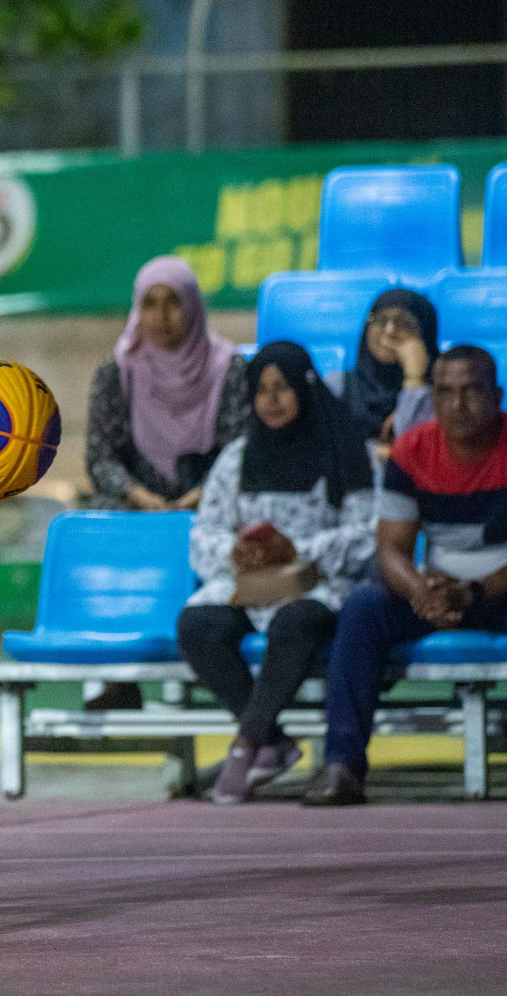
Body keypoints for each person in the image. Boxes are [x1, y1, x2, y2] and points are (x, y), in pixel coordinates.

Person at [305, 345, 507, 807]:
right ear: (431, 398)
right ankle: (343, 764)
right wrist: (421, 590)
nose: (458, 405)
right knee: (362, 610)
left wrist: (471, 592)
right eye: (446, 393)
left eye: (471, 392)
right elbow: (390, 550)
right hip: (438, 592)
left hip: (496, 590)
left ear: (497, 396)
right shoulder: (412, 450)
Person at [177, 342, 377, 804]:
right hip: (250, 582)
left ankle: (248, 742)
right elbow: (203, 532)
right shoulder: (238, 457)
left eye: (282, 388)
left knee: (299, 621)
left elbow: (368, 531)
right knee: (199, 625)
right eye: (262, 390)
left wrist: (299, 551)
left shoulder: (346, 451)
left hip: (317, 582)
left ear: (305, 390)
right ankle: (274, 742)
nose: (271, 400)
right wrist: (236, 552)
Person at [84, 256, 251, 710]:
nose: (160, 317)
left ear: (193, 307)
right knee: (106, 517)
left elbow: (242, 447)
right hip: (141, 502)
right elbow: (99, 457)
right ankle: (118, 674)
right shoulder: (117, 372)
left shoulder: (229, 368)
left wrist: (199, 497)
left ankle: (222, 664)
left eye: (173, 303)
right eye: (150, 304)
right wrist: (145, 499)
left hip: (213, 498)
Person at [334, 288, 438, 448]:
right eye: (381, 321)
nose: (389, 331)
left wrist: (415, 379)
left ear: (424, 335)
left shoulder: (446, 393)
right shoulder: (338, 386)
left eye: (404, 324)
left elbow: (418, 451)